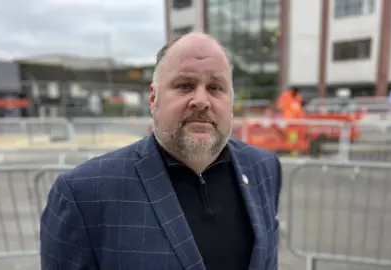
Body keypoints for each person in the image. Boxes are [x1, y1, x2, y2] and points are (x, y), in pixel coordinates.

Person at [40, 32, 283, 270]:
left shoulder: (264, 168)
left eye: (215, 87)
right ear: (154, 98)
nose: (201, 100)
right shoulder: (84, 193)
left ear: (231, 101)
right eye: (185, 85)